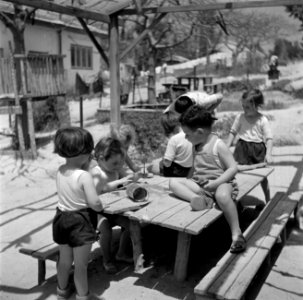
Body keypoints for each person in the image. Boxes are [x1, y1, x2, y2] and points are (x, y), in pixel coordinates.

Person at [169, 106, 246, 253]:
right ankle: (199, 200)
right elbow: (195, 168)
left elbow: (233, 168)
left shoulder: (218, 145)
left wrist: (216, 183)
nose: (185, 138)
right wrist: (189, 180)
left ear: (199, 132)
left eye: (187, 134)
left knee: (222, 196)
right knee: (173, 182)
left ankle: (237, 234)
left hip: (222, 183)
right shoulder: (196, 145)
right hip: (203, 186)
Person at [52, 127, 105, 300]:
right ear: (84, 152)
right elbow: (94, 202)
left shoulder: (60, 170)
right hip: (80, 222)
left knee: (65, 261)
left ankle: (62, 291)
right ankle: (82, 296)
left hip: (61, 218)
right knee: (81, 265)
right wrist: (100, 207)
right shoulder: (84, 176)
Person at [89, 136, 137, 274]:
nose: (119, 166)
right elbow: (102, 189)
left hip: (113, 210)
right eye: (115, 163)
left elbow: (123, 178)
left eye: (121, 162)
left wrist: (130, 179)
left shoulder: (114, 170)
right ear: (101, 158)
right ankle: (107, 259)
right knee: (105, 228)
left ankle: (121, 253)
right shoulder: (96, 173)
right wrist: (120, 182)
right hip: (95, 212)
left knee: (130, 225)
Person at [226, 89, 273, 204]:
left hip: (258, 150)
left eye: (247, 107)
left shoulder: (262, 119)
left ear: (256, 105)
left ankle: (268, 199)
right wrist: (226, 147)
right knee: (237, 174)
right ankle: (237, 200)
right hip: (242, 148)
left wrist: (268, 154)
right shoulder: (240, 117)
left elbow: (269, 138)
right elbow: (233, 132)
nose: (244, 109)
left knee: (262, 177)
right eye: (243, 106)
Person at [159, 111, 193, 177]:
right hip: (191, 170)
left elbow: (167, 164)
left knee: (159, 163)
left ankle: (162, 176)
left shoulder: (174, 139)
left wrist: (163, 158)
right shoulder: (191, 134)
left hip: (177, 172)